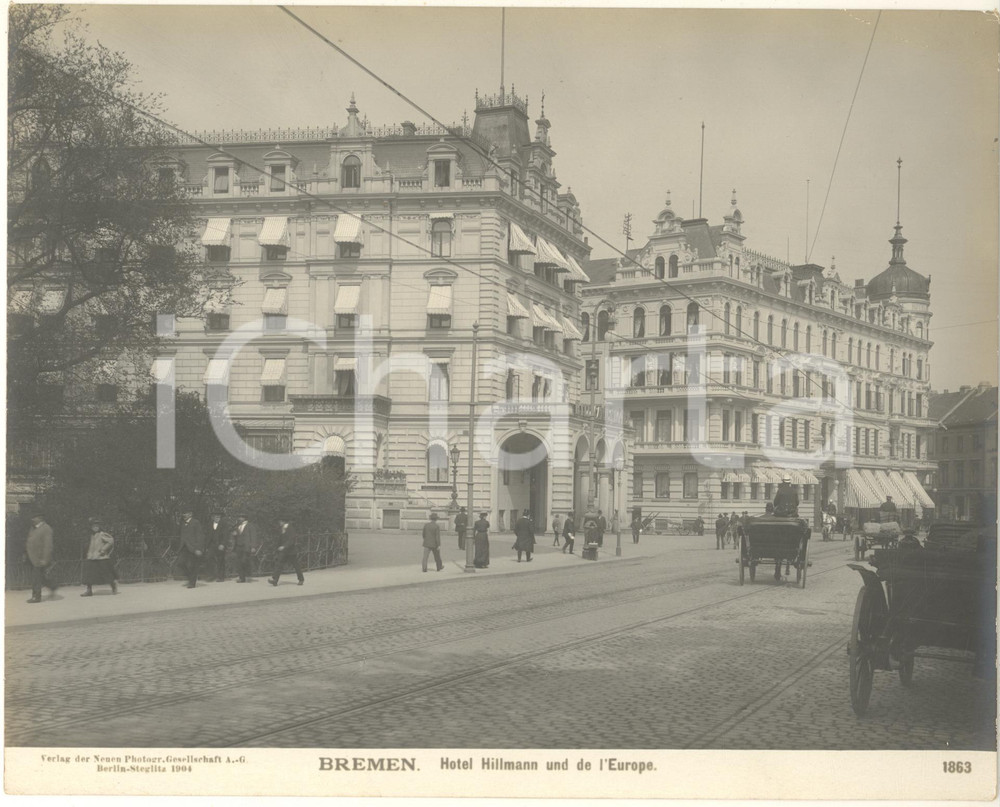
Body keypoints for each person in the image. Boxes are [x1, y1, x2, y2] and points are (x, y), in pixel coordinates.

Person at [81, 517, 117, 596]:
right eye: (93, 526)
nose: (95, 528)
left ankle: (113, 586)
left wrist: (103, 549)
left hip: (101, 557)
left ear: (100, 526)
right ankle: (89, 590)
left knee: (107, 573)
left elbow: (111, 541)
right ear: (91, 527)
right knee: (88, 574)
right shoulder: (90, 535)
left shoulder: (102, 534)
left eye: (97, 526)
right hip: (91, 557)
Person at [25, 513, 57, 604]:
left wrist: (45, 559)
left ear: (40, 518)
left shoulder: (46, 529)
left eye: (34, 517)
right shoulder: (33, 528)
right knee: (39, 577)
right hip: (32, 557)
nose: (32, 519)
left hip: (39, 558)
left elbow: (48, 545)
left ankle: (36, 597)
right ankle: (52, 586)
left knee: (36, 578)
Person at [269, 517, 304, 586]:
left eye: (280, 521)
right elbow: (280, 539)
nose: (279, 523)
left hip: (291, 551)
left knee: (296, 565)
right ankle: (275, 580)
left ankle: (301, 579)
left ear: (284, 521)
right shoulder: (281, 529)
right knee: (279, 564)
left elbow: (291, 540)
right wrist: (277, 548)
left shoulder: (291, 528)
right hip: (284, 551)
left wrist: (284, 546)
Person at [179, 509, 204, 589]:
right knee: (181, 563)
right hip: (184, 547)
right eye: (183, 513)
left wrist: (198, 548)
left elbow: (199, 536)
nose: (184, 515)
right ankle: (191, 579)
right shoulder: (183, 523)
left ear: (190, 514)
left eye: (185, 513)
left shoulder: (196, 522)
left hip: (193, 547)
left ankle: (192, 583)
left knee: (193, 565)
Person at [231, 513, 258, 583]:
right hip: (238, 546)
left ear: (244, 518)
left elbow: (253, 536)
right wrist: (234, 535)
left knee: (244, 561)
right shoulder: (238, 526)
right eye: (239, 517)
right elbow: (236, 536)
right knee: (239, 562)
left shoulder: (250, 526)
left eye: (241, 517)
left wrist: (253, 547)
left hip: (246, 547)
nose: (239, 518)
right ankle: (241, 578)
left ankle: (245, 576)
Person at [206, 509, 229, 582]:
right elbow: (207, 535)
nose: (217, 518)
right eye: (216, 517)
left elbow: (226, 535)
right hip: (211, 545)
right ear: (212, 517)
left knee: (220, 560)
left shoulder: (224, 524)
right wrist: (206, 546)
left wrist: (222, 544)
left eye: (219, 517)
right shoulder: (209, 524)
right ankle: (211, 575)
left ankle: (220, 576)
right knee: (209, 558)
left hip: (220, 544)